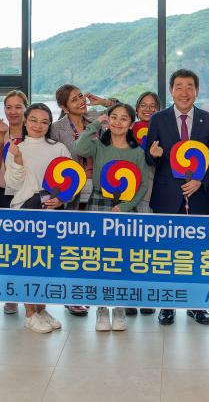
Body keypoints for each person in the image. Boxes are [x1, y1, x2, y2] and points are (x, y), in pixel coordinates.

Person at [145, 69, 209, 326]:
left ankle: (197, 305)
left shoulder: (208, 120)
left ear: (197, 91)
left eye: (190, 86)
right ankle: (167, 305)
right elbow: (149, 156)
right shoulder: (158, 119)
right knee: (167, 253)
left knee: (197, 253)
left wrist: (201, 180)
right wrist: (153, 155)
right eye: (179, 86)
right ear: (171, 91)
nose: (184, 92)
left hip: (198, 196)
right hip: (167, 197)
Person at [73, 102, 149, 331]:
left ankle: (119, 308)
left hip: (124, 207)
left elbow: (142, 186)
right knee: (98, 258)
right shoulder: (98, 145)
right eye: (113, 117)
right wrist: (96, 124)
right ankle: (101, 309)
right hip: (98, 202)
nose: (117, 122)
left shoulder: (137, 152)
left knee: (121, 259)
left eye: (124, 118)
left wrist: (126, 207)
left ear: (131, 124)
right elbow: (79, 148)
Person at [51, 84, 115, 317]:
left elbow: (123, 111)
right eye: (74, 100)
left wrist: (103, 101)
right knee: (72, 244)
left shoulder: (96, 118)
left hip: (98, 188)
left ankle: (91, 292)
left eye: (81, 97)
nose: (81, 102)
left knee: (95, 243)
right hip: (71, 192)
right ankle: (71, 295)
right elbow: (53, 163)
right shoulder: (56, 129)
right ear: (64, 107)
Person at [5, 103, 69, 334]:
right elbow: (12, 184)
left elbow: (69, 180)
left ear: (50, 124)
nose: (38, 125)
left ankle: (41, 309)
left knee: (46, 263)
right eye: (33, 120)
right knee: (26, 262)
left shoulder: (59, 148)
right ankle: (30, 313)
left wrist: (61, 199)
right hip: (24, 210)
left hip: (50, 212)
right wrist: (18, 158)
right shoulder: (16, 148)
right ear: (25, 121)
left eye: (44, 121)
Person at [0, 89, 28, 316]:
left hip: (28, 196)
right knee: (7, 246)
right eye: (9, 107)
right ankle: (11, 294)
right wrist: (0, 137)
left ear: (26, 108)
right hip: (2, 194)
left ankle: (30, 294)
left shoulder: (34, 133)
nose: (13, 111)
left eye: (18, 106)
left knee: (28, 245)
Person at [126, 91, 161, 317]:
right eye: (143, 105)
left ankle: (147, 295)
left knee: (149, 247)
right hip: (127, 195)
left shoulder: (164, 130)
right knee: (130, 246)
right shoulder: (126, 130)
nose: (148, 109)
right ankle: (130, 296)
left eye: (153, 105)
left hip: (152, 193)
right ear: (137, 109)